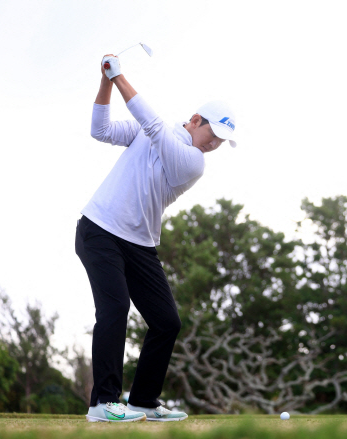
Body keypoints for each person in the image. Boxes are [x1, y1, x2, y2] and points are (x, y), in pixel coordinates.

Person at [76, 54, 237, 422]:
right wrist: (105, 81)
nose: (213, 145)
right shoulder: (154, 134)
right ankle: (103, 403)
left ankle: (144, 401)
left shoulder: (193, 162)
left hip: (139, 244)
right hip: (99, 230)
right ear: (195, 120)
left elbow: (154, 127)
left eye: (220, 142)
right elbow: (100, 130)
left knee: (167, 321)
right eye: (212, 135)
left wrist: (119, 76)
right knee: (115, 309)